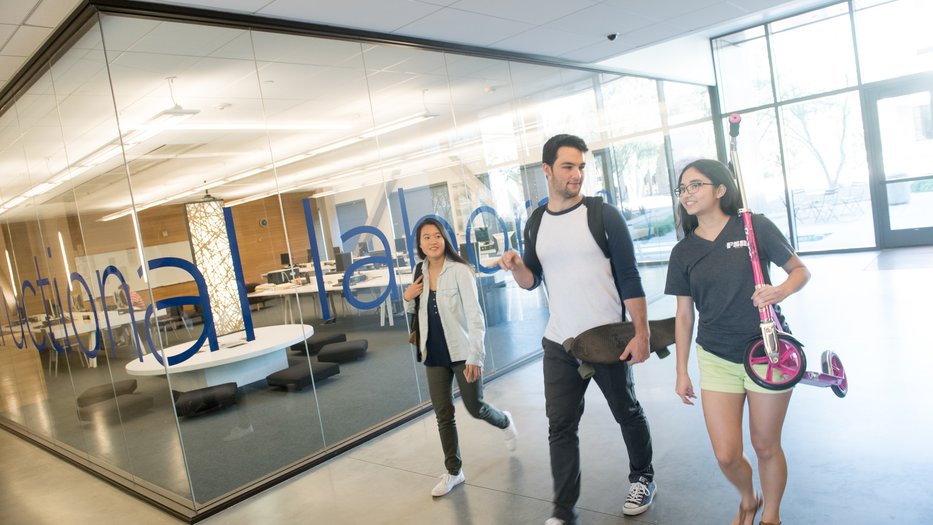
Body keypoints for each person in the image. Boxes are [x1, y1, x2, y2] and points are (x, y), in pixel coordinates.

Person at [496, 134, 656, 525]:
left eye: (581, 167)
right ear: (546, 170)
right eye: (568, 166)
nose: (577, 174)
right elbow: (532, 281)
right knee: (560, 426)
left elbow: (629, 278)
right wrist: (517, 266)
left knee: (626, 410)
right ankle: (563, 510)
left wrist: (642, 333)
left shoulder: (603, 215)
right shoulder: (535, 222)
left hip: (605, 338)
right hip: (560, 341)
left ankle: (643, 477)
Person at [665, 159, 810, 525]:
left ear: (720, 189)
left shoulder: (753, 227)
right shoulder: (682, 252)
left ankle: (771, 517)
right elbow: (684, 315)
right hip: (715, 355)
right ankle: (749, 498)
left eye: (696, 185)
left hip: (768, 353)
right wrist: (681, 370)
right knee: (726, 454)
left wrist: (778, 292)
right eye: (682, 189)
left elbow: (800, 271)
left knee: (765, 445)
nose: (687, 194)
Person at [403, 217, 518, 498]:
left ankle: (504, 420)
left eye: (437, 236)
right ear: (419, 244)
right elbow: (414, 315)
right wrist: (407, 297)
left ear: (445, 239)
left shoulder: (461, 270)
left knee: (475, 406)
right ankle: (454, 471)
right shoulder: (419, 270)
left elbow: (475, 316)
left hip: (462, 352)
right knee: (443, 414)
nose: (432, 241)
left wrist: (475, 357)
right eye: (426, 237)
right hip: (433, 353)